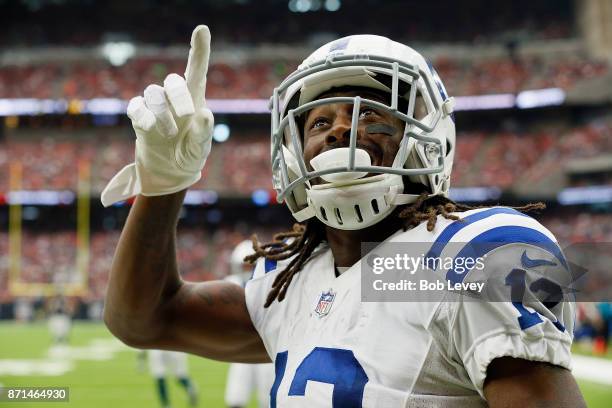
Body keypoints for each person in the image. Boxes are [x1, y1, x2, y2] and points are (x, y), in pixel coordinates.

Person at [102, 25, 586, 407]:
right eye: (319, 121)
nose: (340, 131)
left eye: (371, 115)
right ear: (292, 150)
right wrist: (163, 184)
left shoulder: (464, 256)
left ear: (428, 138)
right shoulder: (292, 285)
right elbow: (144, 319)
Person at [224, 241, 275, 408]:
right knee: (236, 397)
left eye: (250, 266)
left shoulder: (271, 284)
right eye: (244, 266)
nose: (247, 270)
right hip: (241, 348)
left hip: (266, 350)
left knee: (267, 399)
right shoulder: (230, 284)